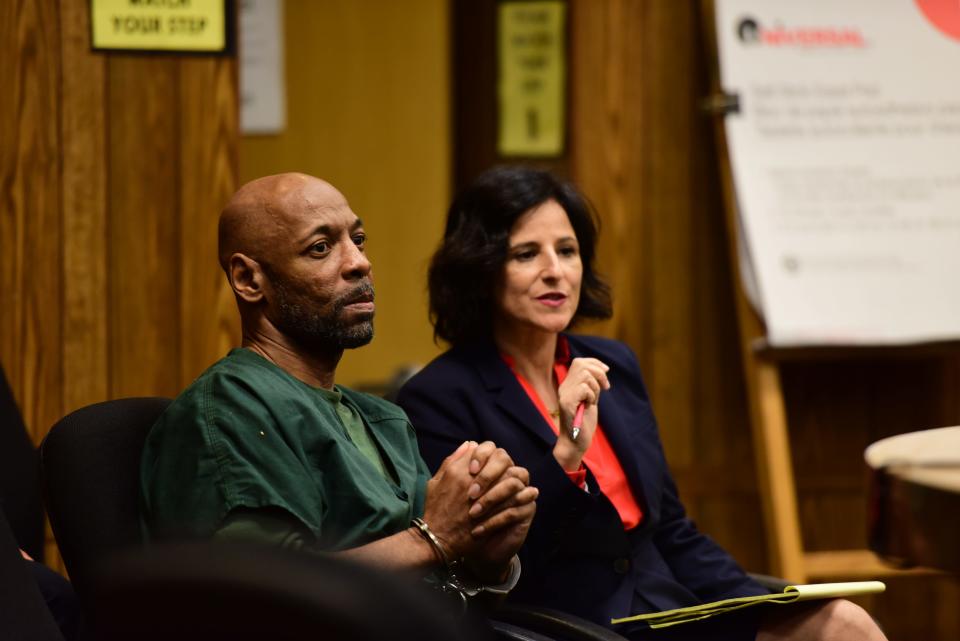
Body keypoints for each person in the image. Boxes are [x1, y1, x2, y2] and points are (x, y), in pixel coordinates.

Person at [396, 166, 887, 641]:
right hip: (566, 620)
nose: (555, 272)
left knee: (844, 624)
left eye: (567, 251)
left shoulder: (612, 363)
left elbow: (670, 528)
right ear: (481, 269)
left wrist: (753, 605)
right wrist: (566, 454)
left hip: (669, 607)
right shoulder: (440, 397)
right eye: (527, 254)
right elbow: (492, 565)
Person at [140, 173, 537, 606]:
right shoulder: (229, 410)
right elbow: (258, 599)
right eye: (321, 248)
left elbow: (437, 580)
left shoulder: (384, 419)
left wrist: (485, 557)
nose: (359, 262)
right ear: (249, 280)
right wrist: (432, 538)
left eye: (358, 239)